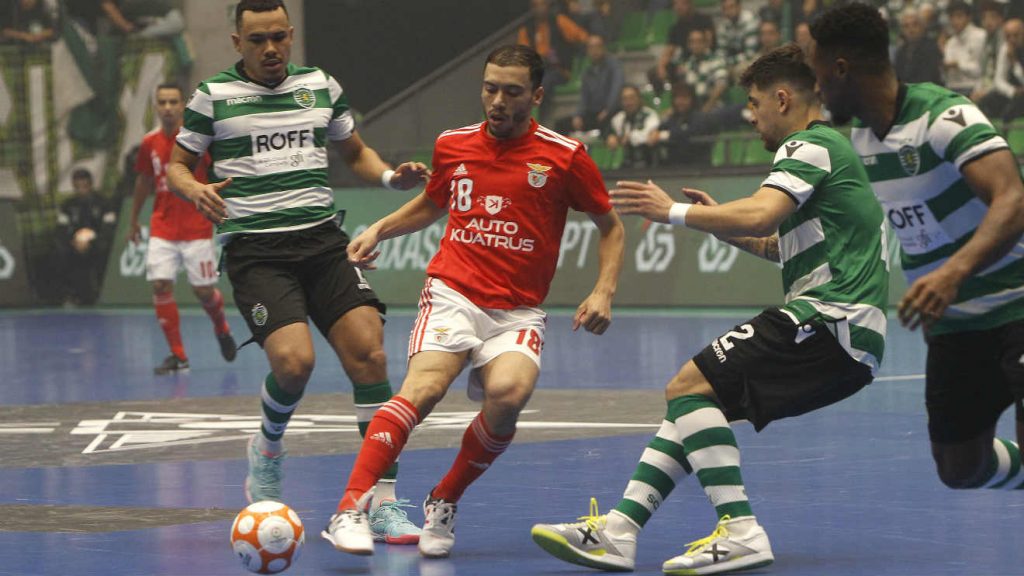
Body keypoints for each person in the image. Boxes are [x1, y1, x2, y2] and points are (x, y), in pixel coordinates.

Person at [531, 43, 890, 575]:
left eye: (753, 103)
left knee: (686, 386)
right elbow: (773, 242)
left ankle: (742, 531)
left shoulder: (811, 146)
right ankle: (619, 531)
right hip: (842, 332)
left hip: (833, 321)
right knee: (695, 405)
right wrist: (722, 224)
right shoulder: (828, 155)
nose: (750, 116)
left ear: (783, 98)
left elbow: (763, 213)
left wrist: (670, 212)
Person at [322, 44, 625, 559]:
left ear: (537, 96)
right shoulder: (453, 144)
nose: (498, 101)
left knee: (507, 396)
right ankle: (350, 507)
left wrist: (602, 290)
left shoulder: (564, 156)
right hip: (453, 293)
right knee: (425, 389)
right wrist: (381, 228)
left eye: (512, 92)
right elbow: (434, 202)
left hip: (517, 310)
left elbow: (610, 226)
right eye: (490, 88)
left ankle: (444, 498)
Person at [166, 0, 429, 544]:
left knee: (371, 354)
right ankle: (266, 447)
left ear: (290, 36)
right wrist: (192, 187)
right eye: (257, 40)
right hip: (257, 253)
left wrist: (387, 178)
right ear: (237, 42)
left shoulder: (320, 86)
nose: (271, 49)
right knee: (293, 364)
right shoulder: (212, 97)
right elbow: (176, 165)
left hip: (322, 244)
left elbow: (354, 151)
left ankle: (382, 502)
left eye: (279, 38)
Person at [810, 2, 1024, 495]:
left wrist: (952, 274)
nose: (818, 89)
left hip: (1016, 305)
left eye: (819, 74)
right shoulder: (863, 139)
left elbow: (1012, 200)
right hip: (957, 328)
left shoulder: (942, 116)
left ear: (841, 69)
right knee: (959, 467)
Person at [128, 83, 237, 375]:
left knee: (203, 291)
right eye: (161, 102)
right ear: (156, 106)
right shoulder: (149, 142)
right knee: (160, 285)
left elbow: (220, 172)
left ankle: (222, 327)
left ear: (182, 106)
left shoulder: (196, 140)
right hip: (162, 226)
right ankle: (178, 356)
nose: (167, 107)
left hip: (196, 226)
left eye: (173, 102)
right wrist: (133, 219)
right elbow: (144, 181)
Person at [57, 168, 118, 306]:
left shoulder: (104, 203)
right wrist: (73, 241)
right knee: (61, 252)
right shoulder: (67, 205)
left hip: (97, 243)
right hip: (75, 244)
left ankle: (101, 294)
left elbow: (108, 227)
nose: (81, 191)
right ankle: (71, 294)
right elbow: (61, 229)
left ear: (90, 185)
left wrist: (90, 240)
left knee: (104, 250)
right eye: (77, 187)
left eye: (84, 186)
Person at [556, 34, 623, 138]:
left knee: (609, 124)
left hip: (611, 112)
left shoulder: (614, 66)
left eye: (597, 46)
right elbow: (584, 97)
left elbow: (616, 90)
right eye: (591, 47)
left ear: (604, 48)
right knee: (561, 124)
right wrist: (578, 115)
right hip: (593, 113)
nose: (594, 50)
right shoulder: (587, 72)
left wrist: (608, 110)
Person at [606, 85, 661, 168]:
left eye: (632, 98)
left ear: (639, 99)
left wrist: (627, 138)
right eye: (625, 99)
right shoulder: (618, 119)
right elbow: (610, 135)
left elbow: (649, 138)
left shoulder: (650, 115)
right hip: (625, 167)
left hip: (648, 166)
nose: (629, 102)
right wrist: (611, 137)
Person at [943, 1, 987, 95]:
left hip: (973, 86)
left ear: (969, 17)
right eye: (952, 17)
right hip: (952, 87)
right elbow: (947, 76)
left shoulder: (980, 36)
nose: (955, 21)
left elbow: (980, 70)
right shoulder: (950, 42)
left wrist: (958, 65)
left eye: (959, 16)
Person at [894, 7, 944, 85]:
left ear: (923, 26)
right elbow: (897, 77)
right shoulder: (901, 51)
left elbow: (927, 78)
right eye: (906, 26)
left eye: (915, 24)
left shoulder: (931, 48)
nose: (911, 29)